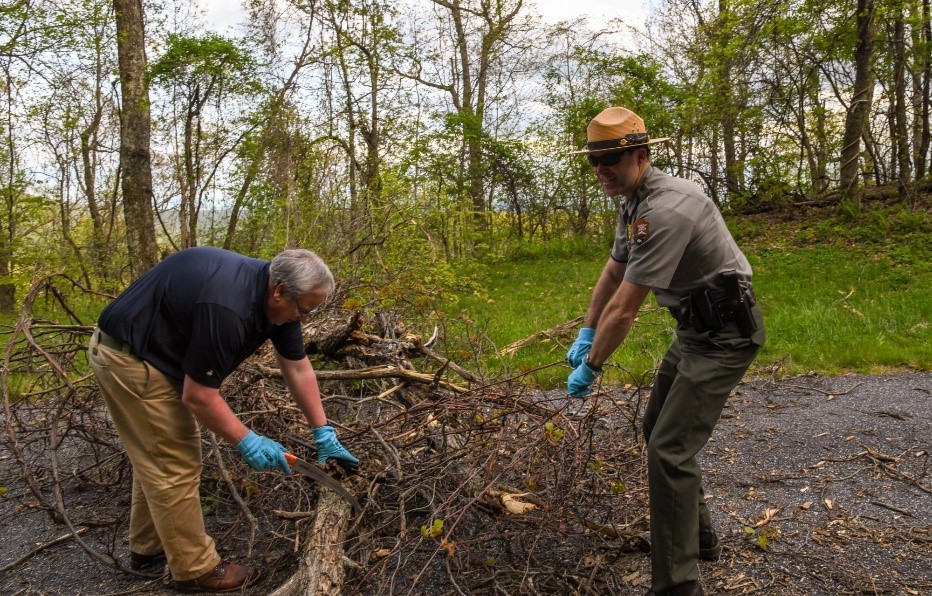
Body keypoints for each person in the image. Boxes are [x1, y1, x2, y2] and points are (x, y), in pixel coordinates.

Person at [565, 107, 765, 596]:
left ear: (641, 155)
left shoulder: (667, 209)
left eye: (611, 159)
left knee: (669, 450)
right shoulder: (633, 201)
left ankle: (677, 585)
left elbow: (626, 309)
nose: (601, 170)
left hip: (725, 337)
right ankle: (700, 537)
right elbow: (613, 272)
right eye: (595, 161)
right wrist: (585, 331)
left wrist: (593, 366)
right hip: (695, 333)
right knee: (657, 428)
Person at [88, 246, 359, 593]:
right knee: (175, 463)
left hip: (155, 353)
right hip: (132, 359)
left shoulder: (280, 298)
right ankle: (195, 569)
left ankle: (149, 547)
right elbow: (199, 396)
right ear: (279, 291)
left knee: (157, 453)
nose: (304, 318)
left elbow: (297, 365)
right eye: (304, 310)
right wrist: (247, 439)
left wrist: (323, 431)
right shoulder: (229, 308)